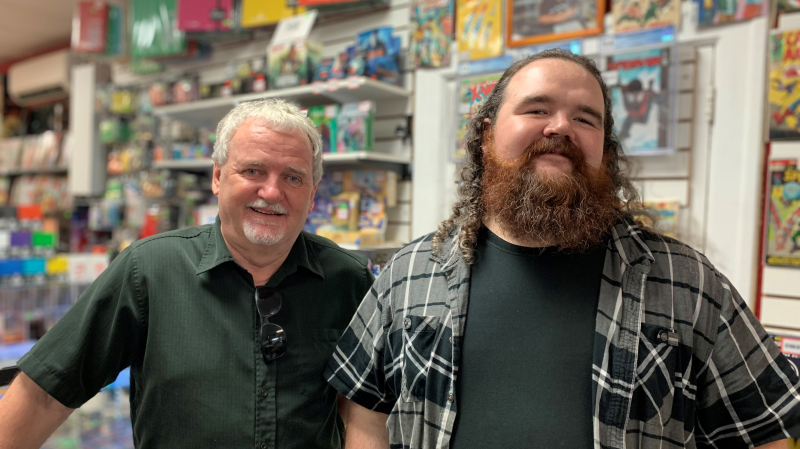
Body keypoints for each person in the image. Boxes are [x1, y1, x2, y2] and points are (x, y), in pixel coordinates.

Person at [326, 50, 800, 448]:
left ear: (605, 151)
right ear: (487, 134)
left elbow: (764, 432)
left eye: (585, 118)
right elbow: (365, 415)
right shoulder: (408, 273)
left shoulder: (687, 282)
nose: (561, 127)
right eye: (536, 109)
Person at [0, 99, 373, 449]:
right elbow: (44, 393)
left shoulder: (349, 280)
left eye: (293, 178)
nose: (272, 191)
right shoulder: (149, 269)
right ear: (217, 177)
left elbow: (364, 414)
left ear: (312, 195)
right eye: (253, 170)